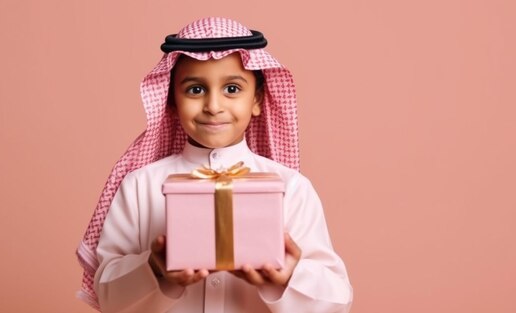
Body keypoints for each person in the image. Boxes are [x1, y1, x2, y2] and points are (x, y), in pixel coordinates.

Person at [76, 17, 353, 313]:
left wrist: (289, 277)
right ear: (172, 101)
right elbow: (108, 297)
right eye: (196, 90)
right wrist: (155, 268)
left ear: (257, 99)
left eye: (232, 89)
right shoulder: (139, 186)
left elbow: (337, 301)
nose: (213, 106)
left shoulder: (292, 188)